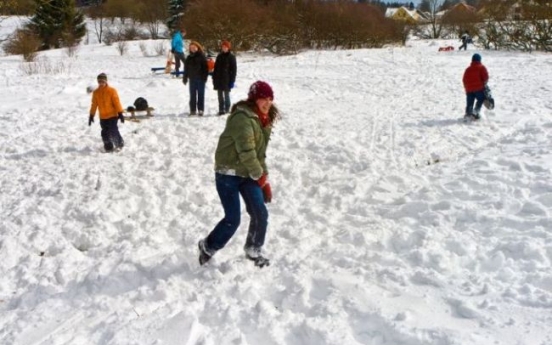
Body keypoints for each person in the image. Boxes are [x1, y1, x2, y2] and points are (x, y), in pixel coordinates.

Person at [198, 81, 281, 268]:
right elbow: (247, 152)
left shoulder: (263, 120)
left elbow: (259, 155)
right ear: (254, 99)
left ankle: (253, 249)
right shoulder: (242, 118)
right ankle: (207, 246)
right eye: (263, 99)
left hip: (247, 173)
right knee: (233, 218)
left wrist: (264, 180)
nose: (267, 103)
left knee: (260, 213)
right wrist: (260, 177)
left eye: (270, 99)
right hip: (227, 172)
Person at [88, 73, 125, 151]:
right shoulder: (96, 92)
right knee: (104, 133)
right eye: (99, 81)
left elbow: (116, 102)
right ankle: (108, 146)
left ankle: (119, 143)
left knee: (113, 130)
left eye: (102, 81)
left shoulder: (111, 91)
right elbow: (94, 104)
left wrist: (120, 113)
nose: (101, 83)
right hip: (103, 117)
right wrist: (91, 115)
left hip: (112, 115)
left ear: (106, 81)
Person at [182, 41, 208, 116]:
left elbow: (205, 68)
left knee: (201, 94)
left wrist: (204, 77)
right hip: (192, 79)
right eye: (191, 48)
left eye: (194, 47)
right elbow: (186, 69)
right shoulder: (189, 58)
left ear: (198, 47)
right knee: (192, 95)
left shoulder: (202, 56)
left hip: (200, 79)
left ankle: (200, 109)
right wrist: (185, 77)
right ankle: (192, 110)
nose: (193, 49)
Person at [213, 40, 237, 115]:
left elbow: (234, 70)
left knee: (226, 95)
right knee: (220, 95)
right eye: (223, 47)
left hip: (227, 79)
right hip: (219, 79)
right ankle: (221, 109)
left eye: (225, 47)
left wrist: (232, 81)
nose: (224, 48)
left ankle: (227, 108)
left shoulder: (231, 57)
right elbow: (216, 68)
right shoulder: (219, 56)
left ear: (228, 48)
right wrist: (214, 78)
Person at [462, 53, 489, 120]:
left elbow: (464, 79)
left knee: (470, 102)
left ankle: (468, 114)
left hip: (469, 89)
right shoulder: (481, 67)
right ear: (479, 60)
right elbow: (485, 77)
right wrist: (484, 83)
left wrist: (467, 88)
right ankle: (476, 111)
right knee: (481, 99)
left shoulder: (467, 69)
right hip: (478, 88)